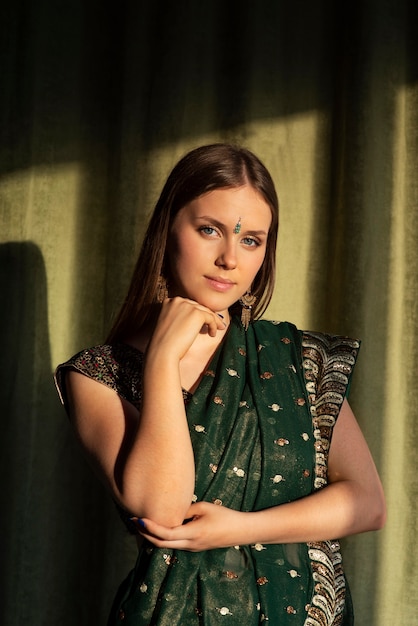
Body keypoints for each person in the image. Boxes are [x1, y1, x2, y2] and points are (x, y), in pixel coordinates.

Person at [55, 143, 386, 625]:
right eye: (209, 230)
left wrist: (239, 528)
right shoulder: (100, 374)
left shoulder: (296, 360)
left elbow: (367, 503)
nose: (230, 258)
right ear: (168, 231)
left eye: (251, 239)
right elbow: (161, 511)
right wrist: (163, 361)